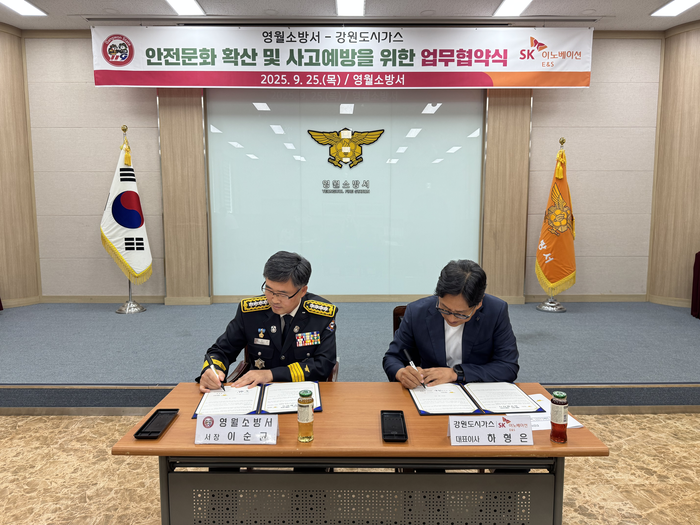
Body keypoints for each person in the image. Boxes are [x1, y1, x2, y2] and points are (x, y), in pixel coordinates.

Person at [197, 251, 337, 393]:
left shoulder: (320, 315)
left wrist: (271, 374)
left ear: (302, 291)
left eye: (283, 294)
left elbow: (323, 364)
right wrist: (212, 370)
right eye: (269, 290)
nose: (274, 300)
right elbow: (221, 350)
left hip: (304, 391)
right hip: (257, 392)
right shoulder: (251, 312)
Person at [383, 259, 518, 388]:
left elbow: (508, 366)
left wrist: (457, 373)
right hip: (430, 391)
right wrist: (401, 373)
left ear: (479, 304)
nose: (452, 319)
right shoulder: (417, 311)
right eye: (444, 309)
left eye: (461, 313)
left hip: (477, 390)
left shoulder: (495, 311)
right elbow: (393, 358)